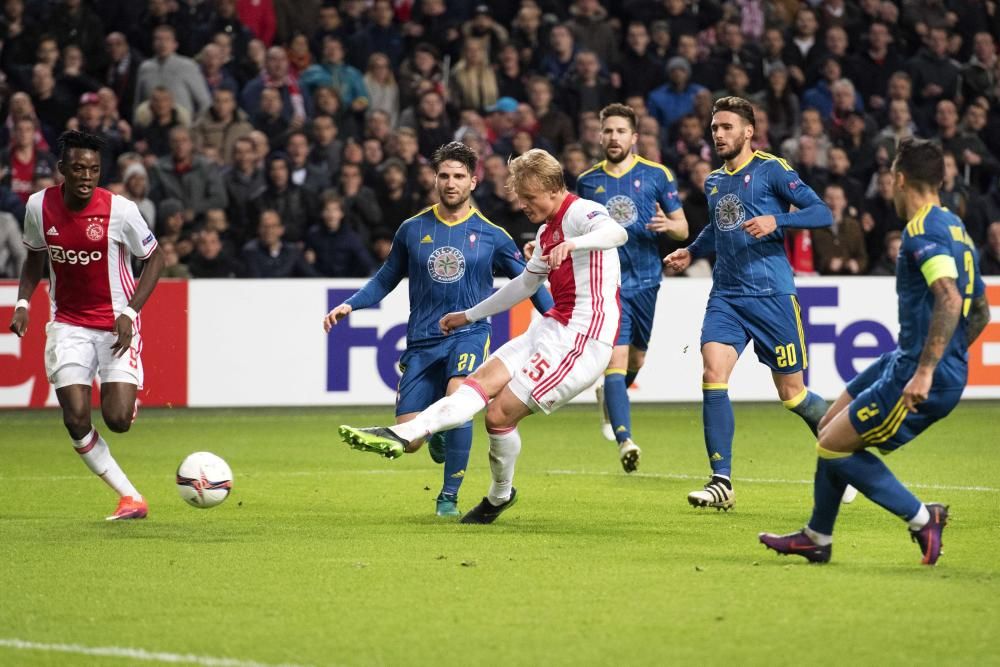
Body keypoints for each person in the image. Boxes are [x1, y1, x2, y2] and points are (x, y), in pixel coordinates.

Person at [335, 148, 627, 524]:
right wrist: (467, 315)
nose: (522, 203)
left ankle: (497, 496)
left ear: (553, 188)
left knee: (498, 413)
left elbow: (616, 232)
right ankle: (403, 433)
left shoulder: (581, 212)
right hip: (552, 326)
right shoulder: (545, 232)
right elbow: (523, 285)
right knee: (478, 384)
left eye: (528, 196)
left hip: (584, 337)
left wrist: (575, 244)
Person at [760, 139, 991, 565]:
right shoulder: (956, 226)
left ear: (899, 179)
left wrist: (928, 370)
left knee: (832, 447)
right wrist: (949, 355)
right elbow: (980, 311)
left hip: (919, 371)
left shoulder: (923, 231)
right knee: (828, 425)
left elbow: (950, 299)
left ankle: (924, 518)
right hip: (905, 358)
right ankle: (817, 536)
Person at [324, 142, 553, 518]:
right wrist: (352, 303)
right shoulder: (412, 229)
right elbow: (385, 279)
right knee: (409, 437)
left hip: (469, 334)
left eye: (459, 176)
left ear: (473, 182)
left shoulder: (493, 235)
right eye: (444, 175)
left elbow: (529, 282)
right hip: (422, 341)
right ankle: (438, 434)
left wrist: (558, 320)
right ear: (434, 179)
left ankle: (448, 496)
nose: (451, 183)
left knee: (459, 397)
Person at [664, 97, 833, 510]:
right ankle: (721, 480)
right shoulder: (714, 181)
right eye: (714, 128)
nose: (718, 134)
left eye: (726, 127)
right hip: (727, 295)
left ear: (747, 131)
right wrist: (693, 250)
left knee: (792, 395)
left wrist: (780, 220)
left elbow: (821, 212)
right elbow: (718, 227)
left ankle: (845, 453)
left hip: (772, 295)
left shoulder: (773, 169)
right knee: (712, 371)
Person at [8, 130, 164, 521]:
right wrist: (24, 301)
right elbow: (34, 257)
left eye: (93, 169)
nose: (86, 176)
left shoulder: (120, 210)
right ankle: (130, 497)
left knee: (116, 420)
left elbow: (155, 258)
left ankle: (125, 404)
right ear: (61, 169)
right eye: (78, 168)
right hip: (67, 324)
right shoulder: (37, 206)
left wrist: (130, 312)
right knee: (76, 416)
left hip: (116, 324)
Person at [575, 103, 688, 471]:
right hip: (609, 284)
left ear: (634, 137)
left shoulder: (657, 175)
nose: (613, 137)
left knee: (637, 359)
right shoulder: (588, 181)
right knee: (617, 359)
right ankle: (625, 439)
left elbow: (683, 228)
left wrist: (666, 227)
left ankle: (608, 397)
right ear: (600, 134)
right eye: (607, 131)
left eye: (620, 131)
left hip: (647, 280)